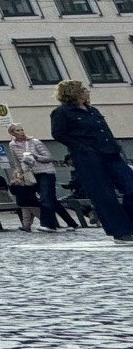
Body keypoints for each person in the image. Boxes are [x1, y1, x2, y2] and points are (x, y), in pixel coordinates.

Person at [50, 79, 133, 244]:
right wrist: (82, 148)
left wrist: (116, 147)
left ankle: (129, 223)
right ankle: (121, 232)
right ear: (74, 92)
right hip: (89, 158)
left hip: (111, 153)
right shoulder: (62, 112)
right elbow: (58, 134)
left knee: (130, 187)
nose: (88, 92)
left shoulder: (92, 110)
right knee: (104, 195)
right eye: (84, 89)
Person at [6, 123, 63, 232]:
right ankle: (68, 222)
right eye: (17, 130)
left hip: (45, 172)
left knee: (45, 198)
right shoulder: (12, 145)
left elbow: (49, 157)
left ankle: (48, 224)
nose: (21, 132)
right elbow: (17, 162)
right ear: (12, 133)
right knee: (48, 200)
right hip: (30, 174)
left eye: (21, 129)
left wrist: (35, 156)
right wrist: (19, 174)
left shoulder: (34, 142)